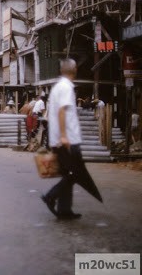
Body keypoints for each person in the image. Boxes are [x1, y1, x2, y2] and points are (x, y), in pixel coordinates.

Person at [41, 58, 97, 220]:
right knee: (76, 173)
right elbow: (62, 112)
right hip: (68, 140)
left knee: (68, 173)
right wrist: (64, 136)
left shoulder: (58, 87)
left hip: (59, 139)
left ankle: (64, 209)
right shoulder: (66, 87)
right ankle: (51, 196)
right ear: (74, 70)